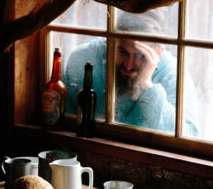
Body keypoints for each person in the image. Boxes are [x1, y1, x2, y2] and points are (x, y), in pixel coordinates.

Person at [64, 10, 199, 136]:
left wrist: (147, 85)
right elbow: (66, 125)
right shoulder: (83, 57)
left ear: (158, 51)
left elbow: (190, 135)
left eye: (141, 55)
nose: (129, 65)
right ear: (110, 42)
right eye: (122, 52)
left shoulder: (173, 74)